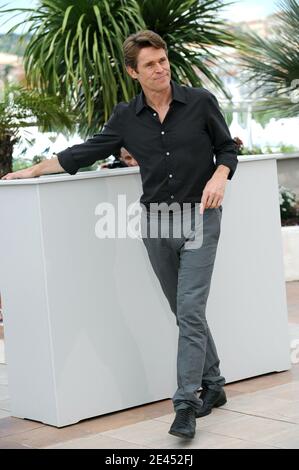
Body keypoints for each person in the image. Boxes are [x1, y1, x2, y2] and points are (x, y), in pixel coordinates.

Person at [1, 30, 238, 440]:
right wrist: (32, 170)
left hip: (201, 217)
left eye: (163, 60)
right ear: (133, 72)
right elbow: (86, 151)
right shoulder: (127, 117)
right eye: (150, 64)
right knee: (185, 312)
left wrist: (220, 175)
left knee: (191, 308)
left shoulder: (200, 102)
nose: (160, 68)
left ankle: (187, 402)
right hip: (156, 224)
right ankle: (214, 384)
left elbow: (227, 148)